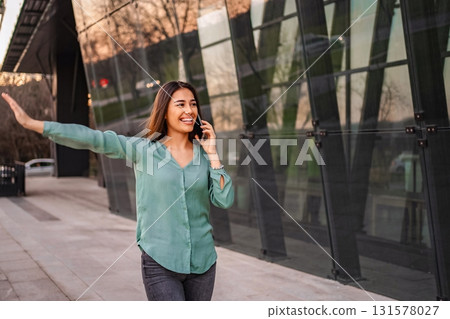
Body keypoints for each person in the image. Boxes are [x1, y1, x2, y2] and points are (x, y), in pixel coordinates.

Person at [1, 81, 234, 301]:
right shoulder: (144, 150)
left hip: (203, 265)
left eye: (193, 104)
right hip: (161, 263)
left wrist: (213, 155)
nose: (189, 110)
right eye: (180, 104)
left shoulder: (204, 155)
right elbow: (94, 139)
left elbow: (224, 200)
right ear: (164, 111)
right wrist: (33, 124)